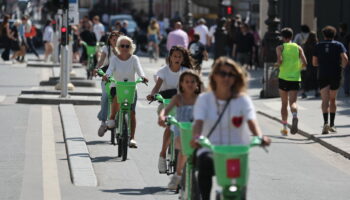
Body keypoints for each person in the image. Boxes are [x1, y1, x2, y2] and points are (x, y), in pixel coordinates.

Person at [191, 57, 271, 200]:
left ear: (236, 79)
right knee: (204, 164)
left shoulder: (242, 100)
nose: (226, 78)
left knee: (240, 184)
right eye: (222, 73)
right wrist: (197, 137)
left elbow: (252, 122)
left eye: (231, 75)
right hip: (211, 149)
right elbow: (198, 123)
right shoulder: (204, 99)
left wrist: (260, 137)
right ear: (214, 75)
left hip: (237, 151)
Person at [146, 46, 193, 173]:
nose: (177, 59)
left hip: (181, 104)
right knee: (169, 126)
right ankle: (162, 155)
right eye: (175, 56)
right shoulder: (164, 71)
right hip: (165, 102)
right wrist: (152, 95)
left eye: (179, 57)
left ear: (183, 59)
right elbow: (157, 87)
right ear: (170, 58)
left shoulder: (185, 71)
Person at [158, 70, 202, 190]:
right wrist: (162, 116)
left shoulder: (200, 99)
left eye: (193, 81)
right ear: (181, 84)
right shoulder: (178, 98)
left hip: (195, 130)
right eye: (186, 81)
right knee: (184, 148)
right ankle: (177, 175)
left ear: (197, 84)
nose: (190, 84)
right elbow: (166, 110)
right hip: (181, 129)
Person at [104, 35, 149, 147]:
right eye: (122, 46)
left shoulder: (134, 59)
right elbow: (109, 70)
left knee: (132, 112)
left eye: (127, 46)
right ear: (118, 47)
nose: (125, 48)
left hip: (131, 87)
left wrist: (143, 77)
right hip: (117, 85)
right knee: (116, 98)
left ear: (131, 47)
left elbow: (140, 70)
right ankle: (112, 117)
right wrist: (107, 75)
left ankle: (132, 138)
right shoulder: (114, 59)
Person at [312, 26, 348, 134]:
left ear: (324, 35)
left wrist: (322, 64)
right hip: (335, 74)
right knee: (333, 99)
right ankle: (332, 124)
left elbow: (314, 63)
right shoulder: (339, 45)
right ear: (334, 35)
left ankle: (325, 123)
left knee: (324, 100)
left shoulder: (318, 46)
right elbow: (345, 59)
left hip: (323, 74)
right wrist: (341, 66)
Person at [276, 28, 307, 135]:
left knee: (284, 103)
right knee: (293, 102)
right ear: (291, 36)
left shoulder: (280, 48)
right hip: (295, 78)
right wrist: (297, 68)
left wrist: (278, 65)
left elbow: (280, 61)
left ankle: (284, 128)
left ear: (283, 37)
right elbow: (305, 62)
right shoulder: (298, 47)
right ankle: (294, 116)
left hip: (283, 77)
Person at [94, 31, 123, 137]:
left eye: (117, 39)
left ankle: (123, 120)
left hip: (120, 75)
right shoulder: (106, 49)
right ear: (110, 40)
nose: (115, 41)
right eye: (113, 39)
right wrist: (97, 68)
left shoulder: (124, 48)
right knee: (105, 96)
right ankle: (103, 122)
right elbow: (101, 61)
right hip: (107, 75)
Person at [301, 32, 319, 98]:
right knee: (315, 78)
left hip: (307, 64)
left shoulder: (305, 44)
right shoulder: (317, 45)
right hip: (315, 64)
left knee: (306, 78)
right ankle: (316, 91)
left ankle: (303, 92)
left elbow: (303, 54)